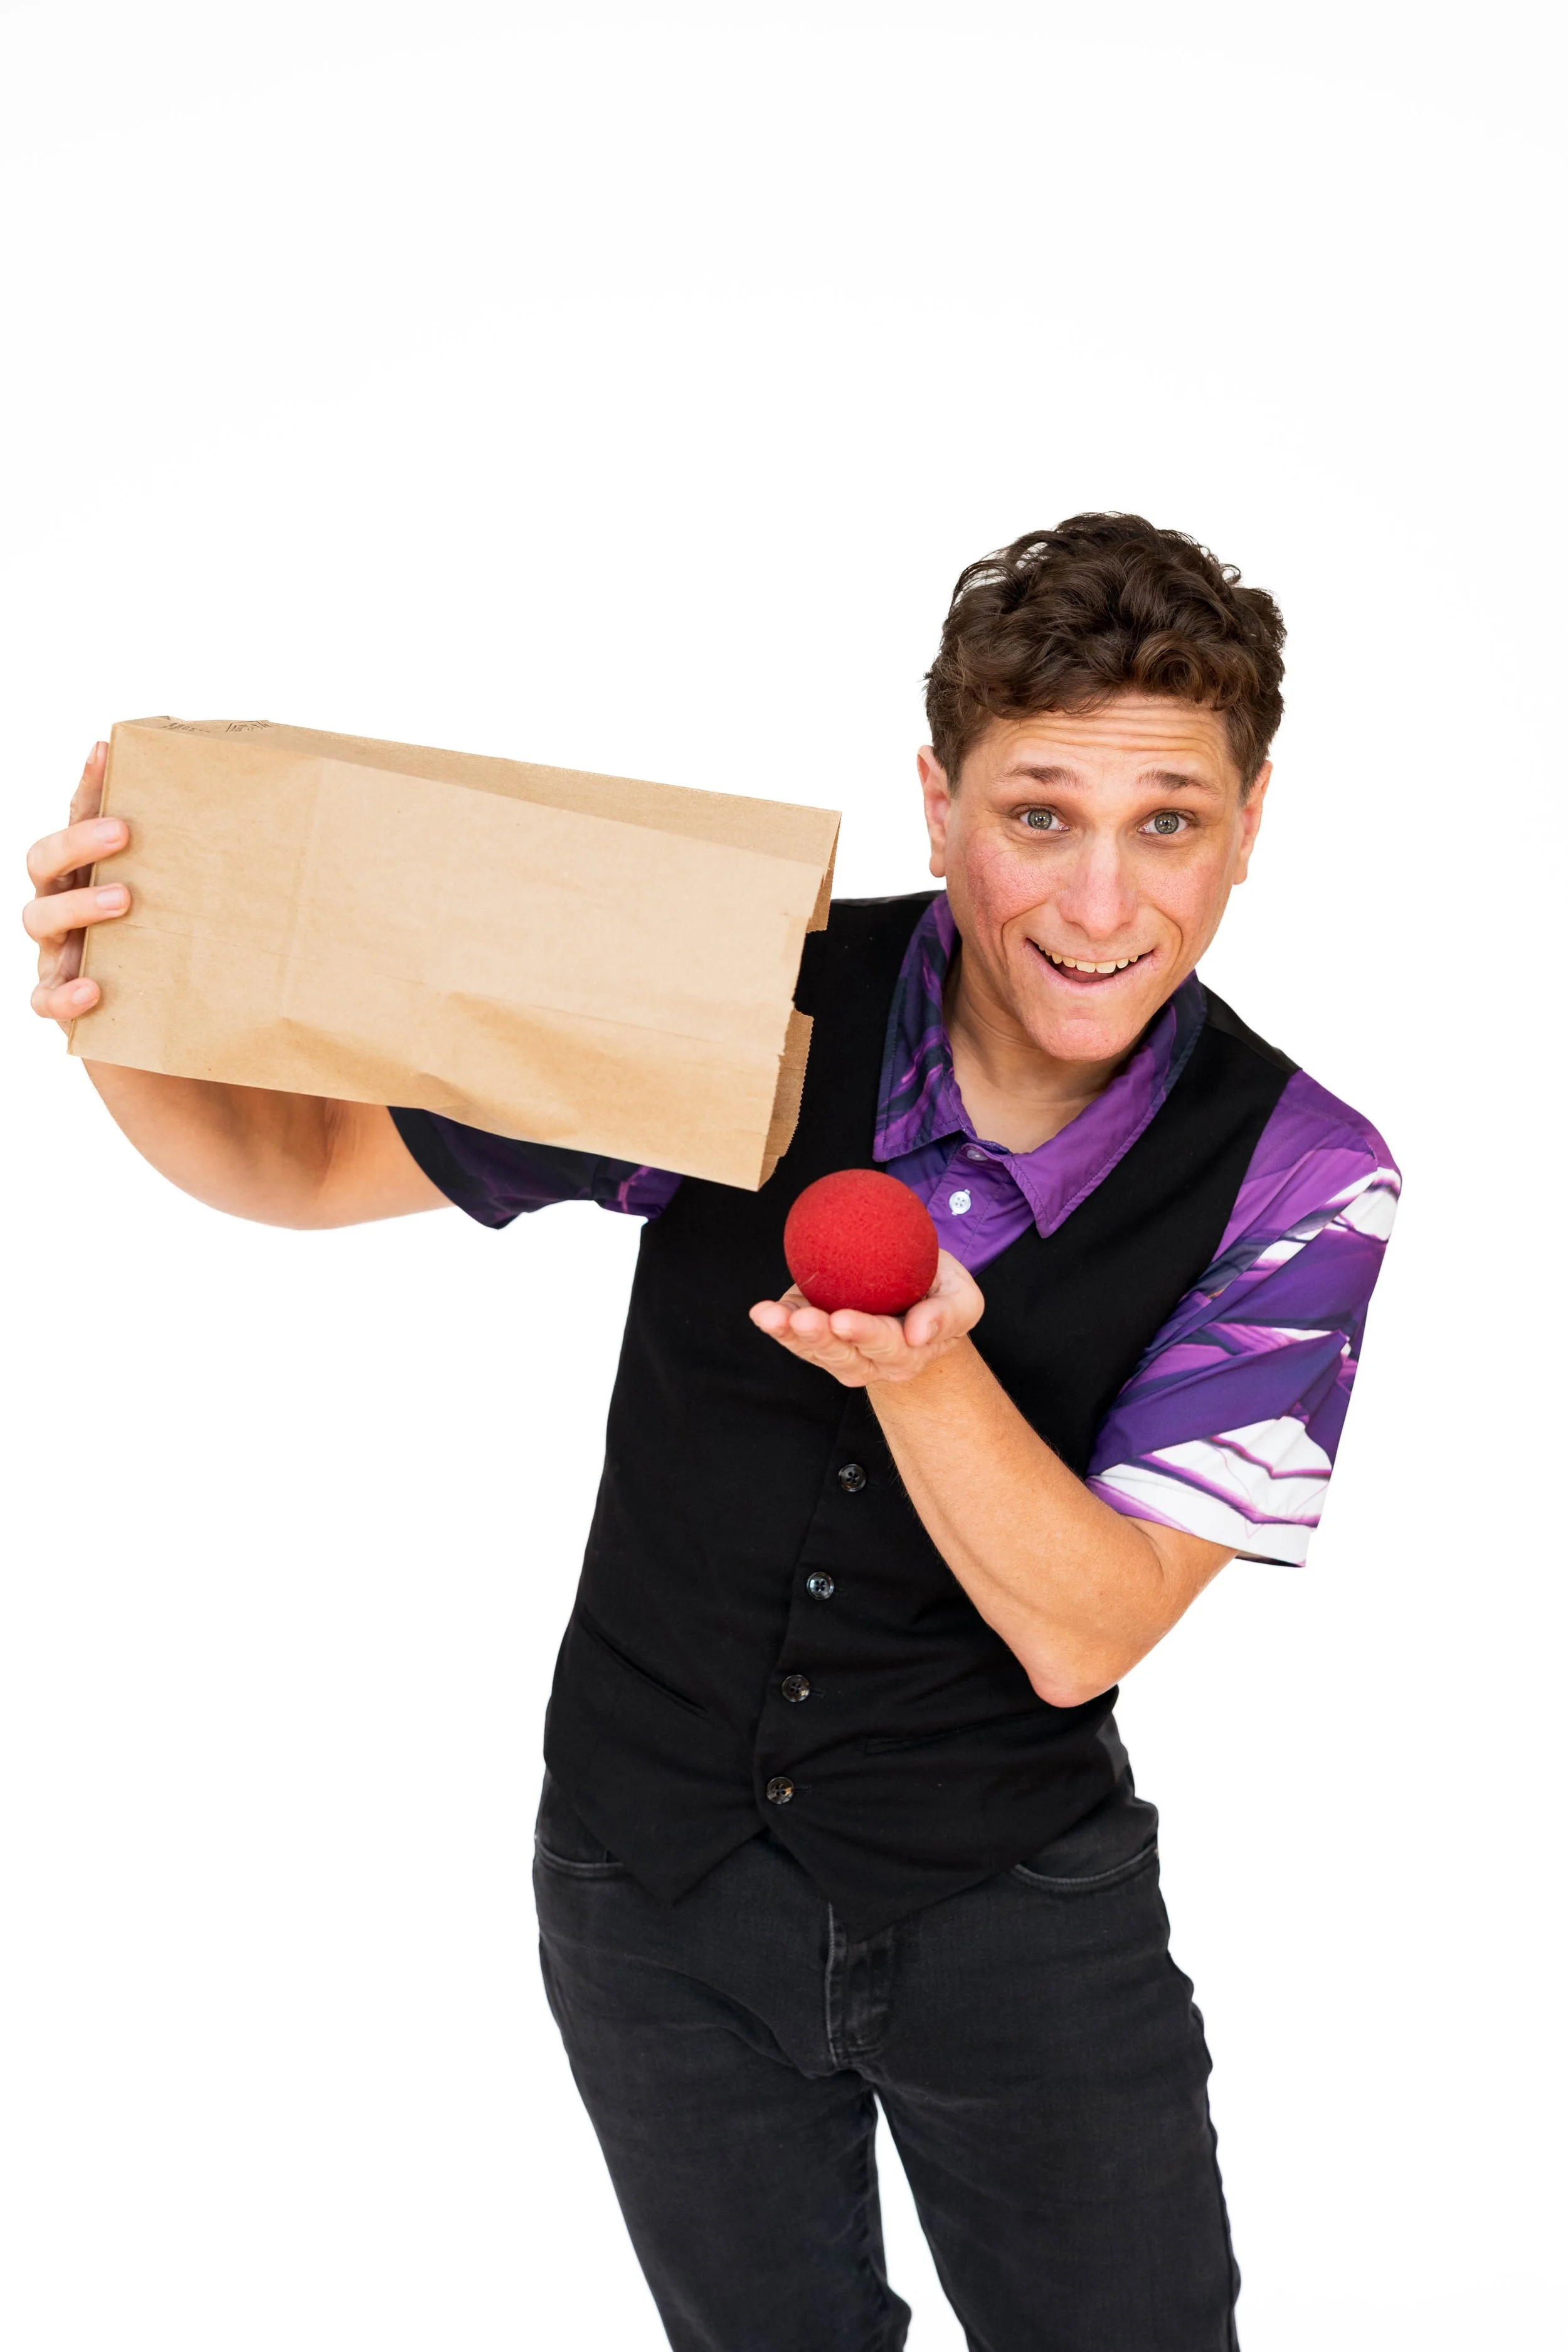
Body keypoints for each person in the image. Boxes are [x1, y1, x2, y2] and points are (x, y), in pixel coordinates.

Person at [24, 516, 1398, 2351]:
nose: (1094, 901)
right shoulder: (742, 991)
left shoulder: (1302, 1177)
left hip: (1009, 1910)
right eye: (1034, 813)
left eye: (1166, 819)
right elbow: (294, 1162)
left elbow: (1089, 1620)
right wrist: (110, 990)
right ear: (935, 801)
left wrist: (922, 1373)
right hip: (643, 1878)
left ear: (1246, 824)